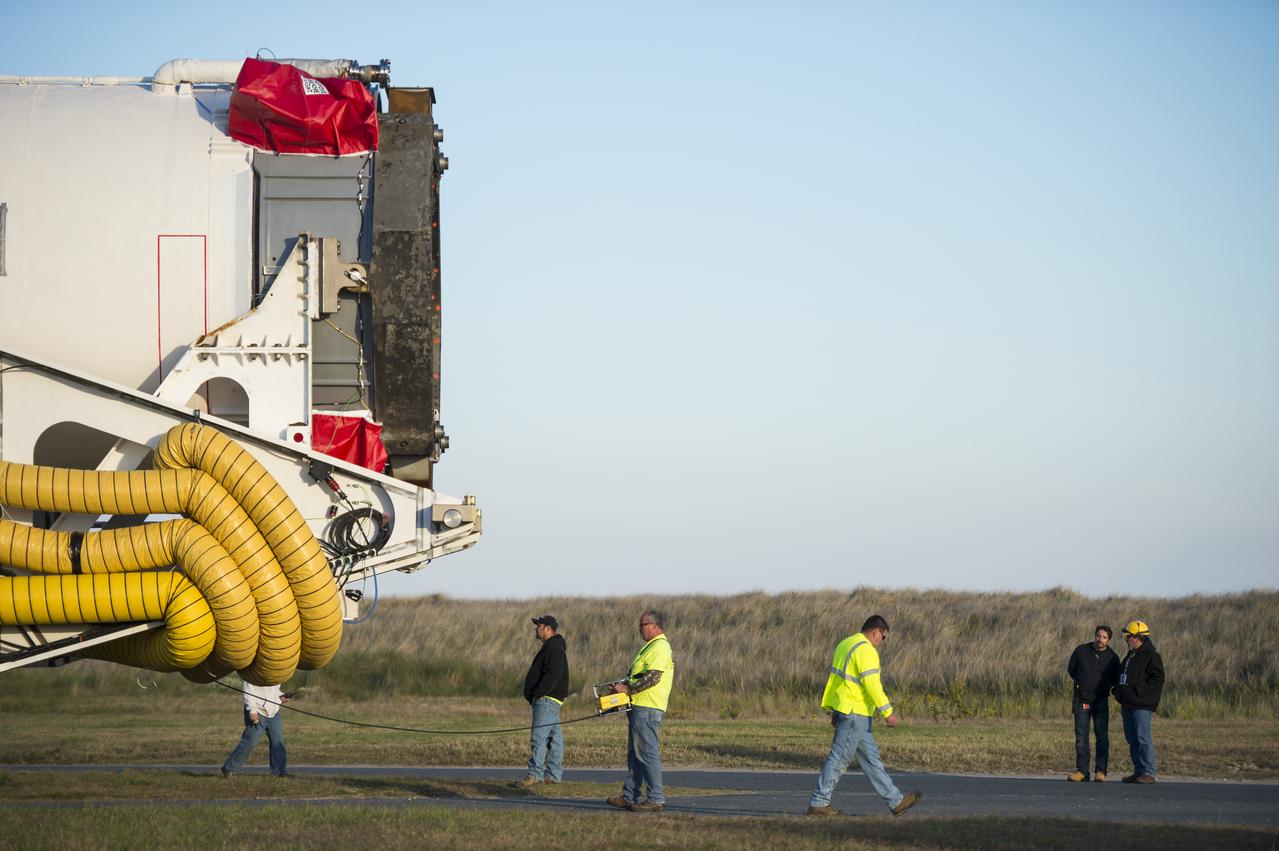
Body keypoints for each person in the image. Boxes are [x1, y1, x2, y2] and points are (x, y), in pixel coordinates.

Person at [807, 615, 921, 817]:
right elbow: (872, 684)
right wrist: (887, 711)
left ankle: (896, 801)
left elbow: (838, 680)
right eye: (883, 637)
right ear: (876, 631)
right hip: (855, 713)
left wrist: (836, 709)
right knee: (840, 758)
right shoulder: (866, 650)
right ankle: (819, 802)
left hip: (848, 710)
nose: (882, 642)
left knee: (871, 759)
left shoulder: (846, 643)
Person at [605, 610, 675, 813]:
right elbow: (638, 674)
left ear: (654, 625)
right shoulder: (648, 647)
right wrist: (622, 686)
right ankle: (630, 795)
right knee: (635, 754)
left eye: (642, 624)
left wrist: (628, 689)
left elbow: (653, 677)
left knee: (647, 753)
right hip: (638, 705)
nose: (639, 628)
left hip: (648, 707)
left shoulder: (660, 647)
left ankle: (655, 798)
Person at [513, 614, 569, 787]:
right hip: (551, 699)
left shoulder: (553, 648)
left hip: (546, 699)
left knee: (539, 737)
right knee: (554, 739)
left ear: (547, 628)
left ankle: (535, 774)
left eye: (539, 626)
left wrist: (538, 693)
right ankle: (553, 775)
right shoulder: (553, 647)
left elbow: (552, 674)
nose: (536, 629)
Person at [1066, 625, 1120, 782]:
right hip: (1081, 700)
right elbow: (1071, 669)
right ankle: (1082, 772)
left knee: (1102, 737)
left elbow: (1115, 678)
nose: (1100, 640)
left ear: (1108, 640)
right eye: (1098, 636)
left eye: (1104, 637)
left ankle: (1101, 772)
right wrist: (1082, 683)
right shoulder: (1081, 651)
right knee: (1081, 737)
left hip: (1100, 701)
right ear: (1094, 636)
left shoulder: (1113, 658)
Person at [1114, 620, 1165, 784]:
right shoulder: (1130, 655)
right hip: (1127, 703)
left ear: (1137, 637)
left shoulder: (1151, 656)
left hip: (1141, 704)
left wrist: (1137, 691)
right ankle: (1139, 771)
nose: (1126, 639)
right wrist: (1118, 690)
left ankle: (1149, 772)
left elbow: (1157, 679)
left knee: (1142, 737)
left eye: (1128, 636)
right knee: (1132, 738)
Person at [221, 680, 290, 778]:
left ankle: (279, 771)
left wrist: (282, 696)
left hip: (274, 712)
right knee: (251, 741)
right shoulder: (253, 673)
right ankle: (229, 769)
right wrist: (252, 710)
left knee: (277, 740)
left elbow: (274, 691)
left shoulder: (276, 672)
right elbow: (248, 690)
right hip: (257, 711)